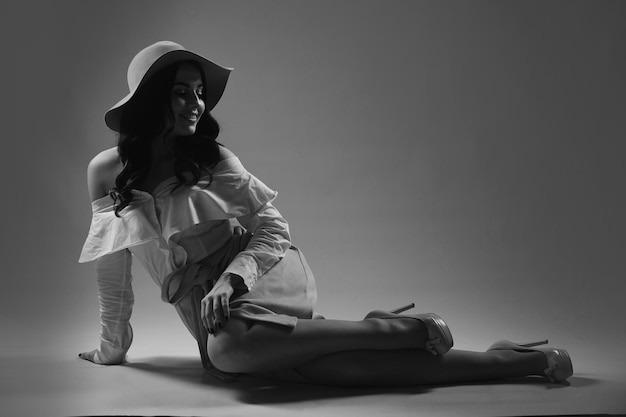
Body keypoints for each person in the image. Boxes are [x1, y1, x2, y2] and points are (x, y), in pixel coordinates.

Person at [78, 41, 573, 386]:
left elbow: (272, 229)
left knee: (230, 350)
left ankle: (400, 329)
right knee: (334, 372)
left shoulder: (213, 158)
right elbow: (112, 268)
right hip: (206, 308)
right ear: (149, 100)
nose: (195, 103)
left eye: (199, 91)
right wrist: (112, 347)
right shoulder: (107, 173)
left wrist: (233, 278)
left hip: (261, 272)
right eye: (181, 92)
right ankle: (517, 363)